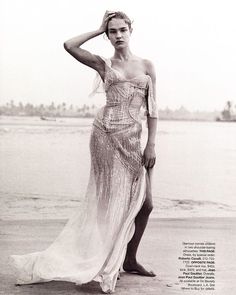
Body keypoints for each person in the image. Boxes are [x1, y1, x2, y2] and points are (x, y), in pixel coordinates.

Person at [10, 11, 158, 294]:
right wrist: (97, 28)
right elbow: (69, 45)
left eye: (122, 30)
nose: (118, 35)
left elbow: (153, 109)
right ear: (108, 34)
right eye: (112, 31)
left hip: (134, 140)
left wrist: (151, 144)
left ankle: (130, 258)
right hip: (104, 136)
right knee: (105, 203)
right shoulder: (104, 64)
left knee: (146, 203)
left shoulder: (147, 65)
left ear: (130, 30)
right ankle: (107, 256)